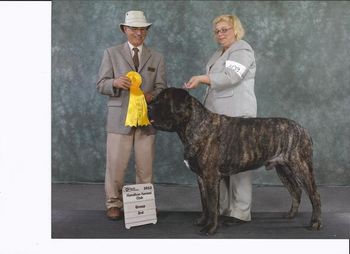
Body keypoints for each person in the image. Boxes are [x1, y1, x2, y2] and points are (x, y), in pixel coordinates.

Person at [184, 14, 257, 223]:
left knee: (240, 165)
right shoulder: (220, 52)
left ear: (236, 30)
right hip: (218, 117)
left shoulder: (242, 50)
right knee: (218, 164)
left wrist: (201, 78)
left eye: (224, 29)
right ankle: (223, 209)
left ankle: (241, 212)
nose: (220, 34)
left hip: (237, 116)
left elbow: (231, 77)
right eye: (217, 31)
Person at [96, 10, 167, 220]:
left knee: (145, 167)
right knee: (116, 165)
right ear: (124, 29)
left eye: (143, 29)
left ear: (147, 31)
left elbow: (162, 88)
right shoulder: (111, 53)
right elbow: (101, 84)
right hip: (119, 120)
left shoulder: (158, 57)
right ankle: (113, 203)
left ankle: (143, 206)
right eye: (134, 28)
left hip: (147, 120)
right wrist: (115, 83)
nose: (139, 32)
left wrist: (151, 95)